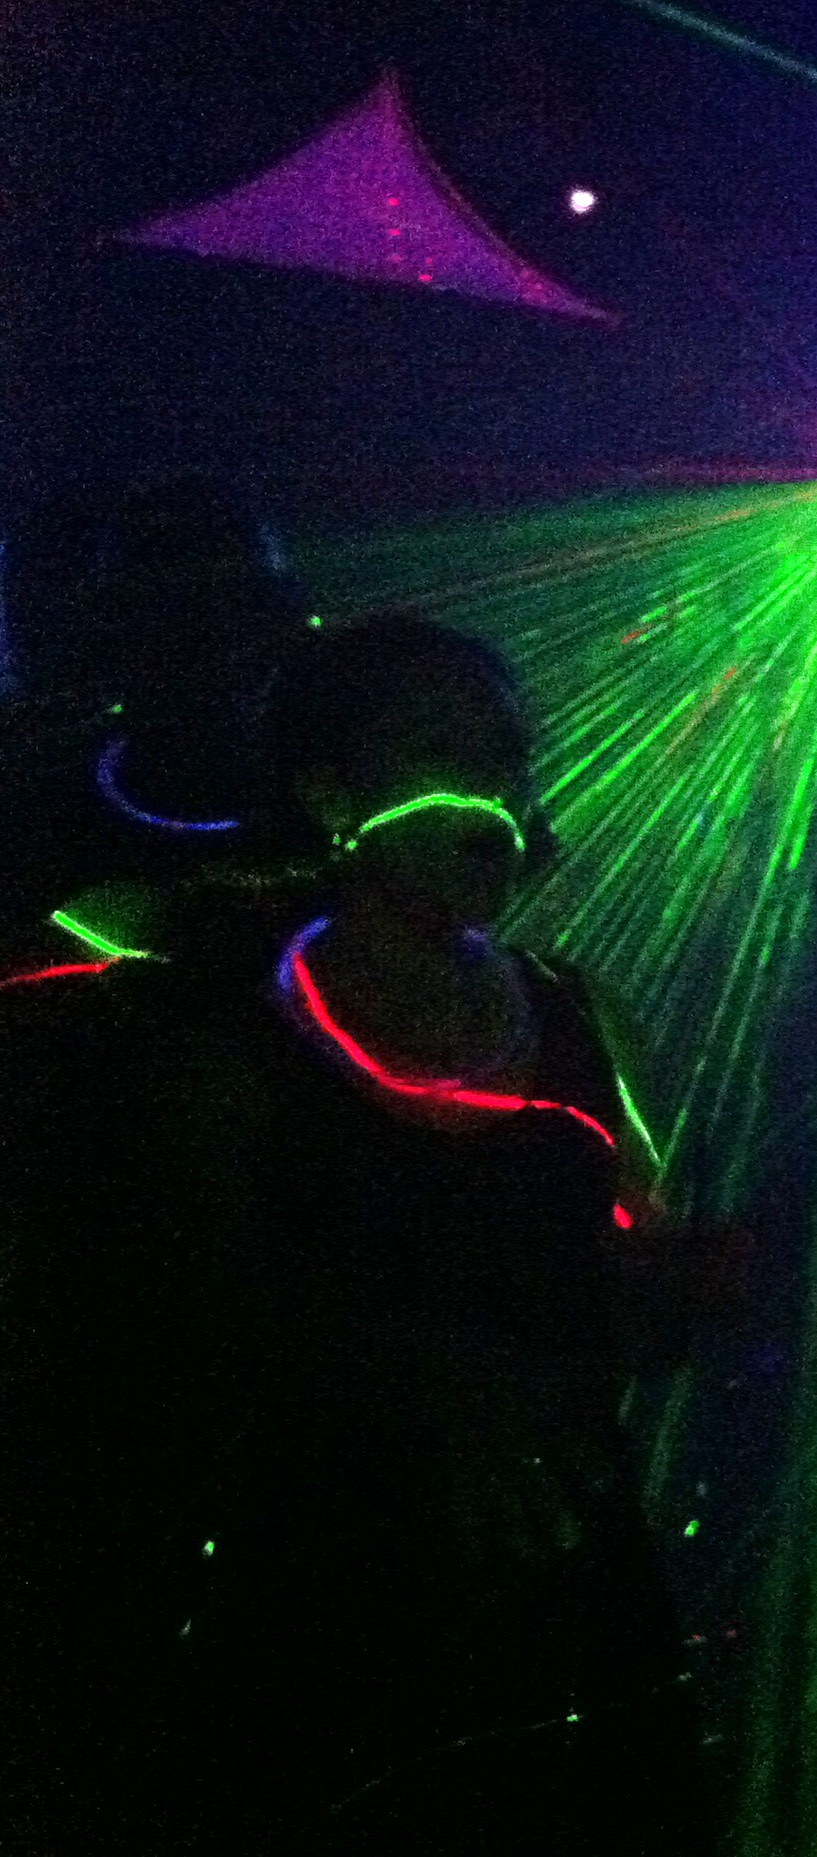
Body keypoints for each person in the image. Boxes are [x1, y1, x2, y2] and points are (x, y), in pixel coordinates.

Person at [0, 616, 712, 1855]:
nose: (486, 789)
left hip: (570, 1617)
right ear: (331, 794)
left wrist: (676, 1288)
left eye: (505, 753)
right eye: (441, 746)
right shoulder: (225, 1037)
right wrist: (409, 1375)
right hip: (322, 1635)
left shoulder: (583, 1017)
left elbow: (631, 1295)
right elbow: (182, 1336)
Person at [0, 476, 310, 978]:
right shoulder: (363, 781)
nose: (218, 643)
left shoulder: (37, 819)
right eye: (174, 616)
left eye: (242, 609)